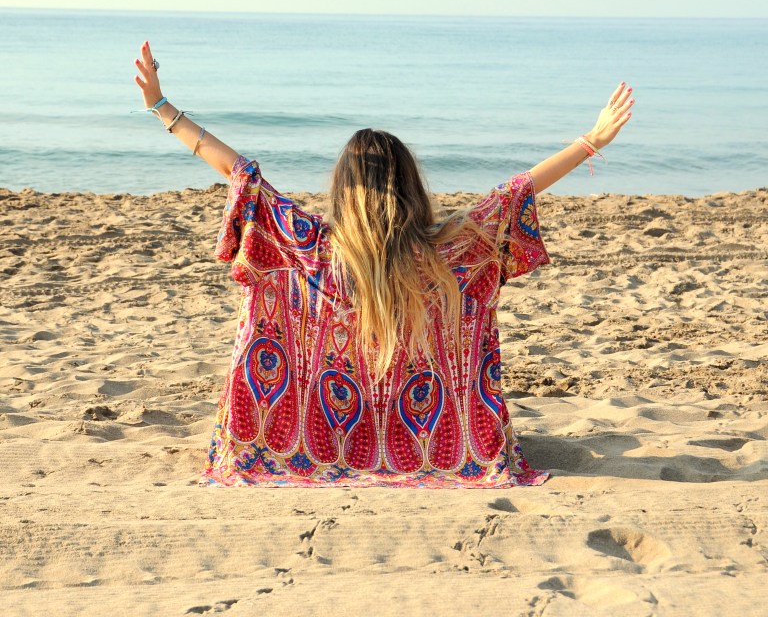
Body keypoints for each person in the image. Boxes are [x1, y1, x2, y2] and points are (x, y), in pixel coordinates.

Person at [134, 40, 634, 488]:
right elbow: (517, 190)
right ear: (410, 185)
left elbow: (238, 171)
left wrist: (161, 107)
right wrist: (591, 141)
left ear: (342, 187)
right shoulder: (448, 250)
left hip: (318, 437)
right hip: (434, 438)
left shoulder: (310, 245)